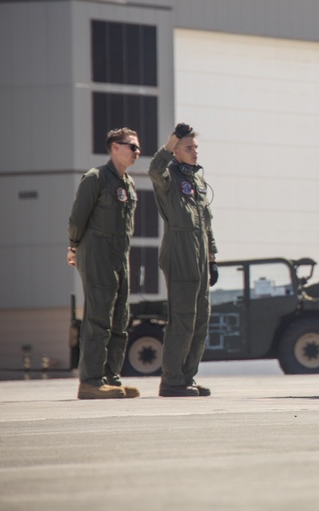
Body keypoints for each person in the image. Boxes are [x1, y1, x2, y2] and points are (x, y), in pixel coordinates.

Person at [67, 128, 142, 400]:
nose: (137, 151)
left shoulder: (129, 184)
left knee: (120, 319)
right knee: (98, 317)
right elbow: (77, 219)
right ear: (114, 147)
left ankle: (110, 377)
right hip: (97, 253)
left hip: (120, 256)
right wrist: (74, 246)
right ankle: (90, 380)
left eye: (137, 147)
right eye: (132, 146)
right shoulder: (95, 178)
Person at [149, 123, 218, 397]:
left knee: (201, 318)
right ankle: (172, 380)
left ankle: (187, 377)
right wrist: (170, 142)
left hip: (199, 250)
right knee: (183, 318)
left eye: (196, 148)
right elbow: (153, 169)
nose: (194, 152)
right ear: (175, 152)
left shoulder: (197, 179)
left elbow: (206, 221)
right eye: (188, 148)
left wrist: (212, 257)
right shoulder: (168, 177)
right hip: (179, 249)